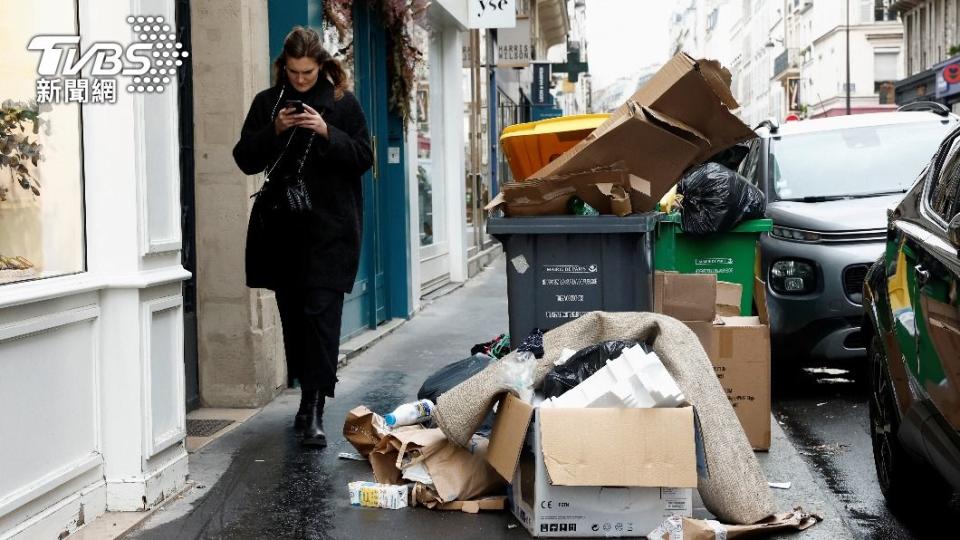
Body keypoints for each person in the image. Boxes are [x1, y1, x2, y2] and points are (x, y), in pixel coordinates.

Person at [233, 26, 373, 447]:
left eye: (308, 72)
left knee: (321, 317)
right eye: (294, 72)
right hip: (284, 230)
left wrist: (326, 131)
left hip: (331, 229)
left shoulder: (340, 103)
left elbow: (363, 156)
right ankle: (304, 397)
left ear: (322, 65)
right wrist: (274, 129)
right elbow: (244, 159)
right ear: (284, 67)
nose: (300, 80)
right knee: (294, 319)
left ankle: (314, 407)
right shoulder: (268, 103)